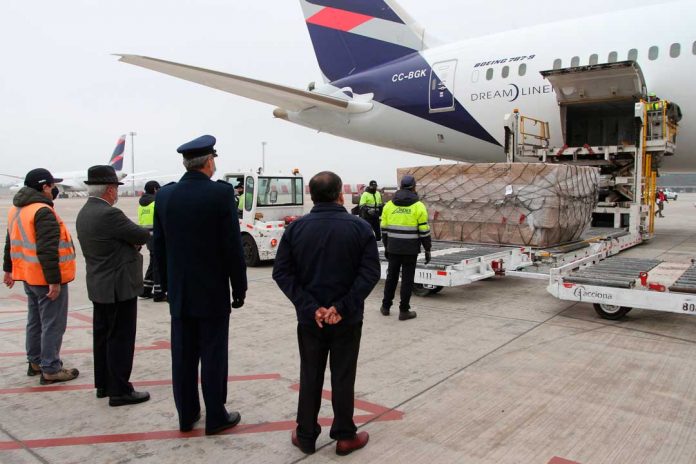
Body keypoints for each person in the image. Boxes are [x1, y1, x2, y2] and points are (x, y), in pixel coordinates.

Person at [273, 171, 380, 456]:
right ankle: (345, 435)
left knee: (310, 374)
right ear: (340, 195)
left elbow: (282, 273)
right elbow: (370, 274)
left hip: (311, 320)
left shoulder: (296, 229)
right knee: (343, 376)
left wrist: (311, 308)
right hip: (347, 319)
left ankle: (306, 434)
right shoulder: (359, 228)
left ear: (312, 195)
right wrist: (342, 308)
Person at [154, 134, 248, 435]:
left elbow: (159, 246)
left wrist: (164, 286)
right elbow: (232, 246)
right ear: (209, 162)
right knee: (213, 355)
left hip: (180, 293)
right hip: (212, 292)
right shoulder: (220, 195)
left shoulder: (165, 196)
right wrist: (239, 286)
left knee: (182, 356)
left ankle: (186, 415)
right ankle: (215, 416)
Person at [76, 165, 152, 406]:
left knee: (102, 337)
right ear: (109, 190)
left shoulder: (85, 212)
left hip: (99, 286)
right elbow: (140, 235)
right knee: (121, 338)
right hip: (118, 287)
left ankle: (104, 385)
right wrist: (134, 244)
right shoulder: (110, 214)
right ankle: (120, 390)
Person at [3, 168, 79, 385]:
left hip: (27, 275)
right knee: (52, 324)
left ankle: (36, 361)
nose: (54, 189)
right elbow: (48, 249)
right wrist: (54, 281)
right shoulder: (42, 211)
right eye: (52, 185)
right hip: (45, 278)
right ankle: (51, 368)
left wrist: (8, 270)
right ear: (44, 186)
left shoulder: (16, 209)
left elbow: (10, 243)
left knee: (35, 321)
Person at [380, 175, 432, 321]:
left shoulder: (389, 205)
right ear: (414, 187)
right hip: (410, 250)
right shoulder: (418, 206)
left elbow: (383, 229)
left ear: (401, 187)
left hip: (394, 248)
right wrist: (427, 249)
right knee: (407, 279)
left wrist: (387, 246)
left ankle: (385, 307)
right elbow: (424, 231)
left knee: (391, 277)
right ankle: (404, 310)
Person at [138, 180, 166, 302]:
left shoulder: (142, 203)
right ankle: (159, 293)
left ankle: (146, 289)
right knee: (159, 265)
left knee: (153, 262)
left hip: (147, 237)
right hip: (157, 237)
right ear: (155, 189)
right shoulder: (156, 202)